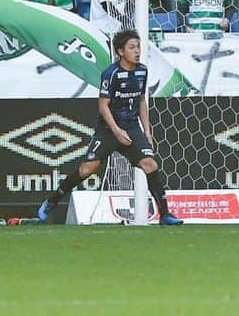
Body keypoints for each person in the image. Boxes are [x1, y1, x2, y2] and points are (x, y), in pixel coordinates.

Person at [37, 30, 183, 225]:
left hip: (131, 128)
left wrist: (147, 130)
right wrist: (116, 131)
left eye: (138, 47)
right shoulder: (111, 74)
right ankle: (52, 200)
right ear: (120, 51)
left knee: (150, 164)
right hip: (108, 129)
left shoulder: (142, 71)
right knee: (87, 169)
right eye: (132, 47)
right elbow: (103, 105)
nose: (137, 51)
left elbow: (141, 101)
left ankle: (165, 215)